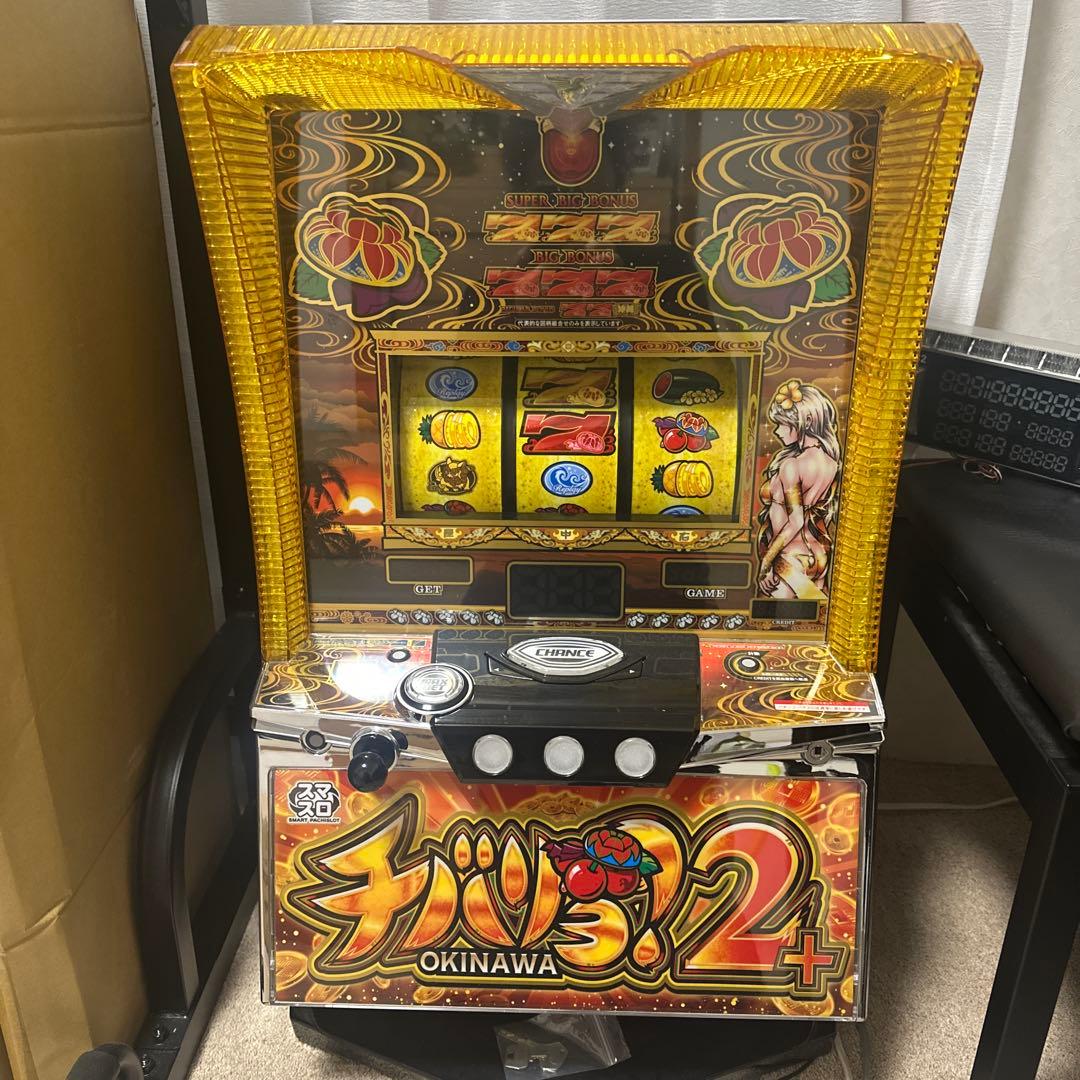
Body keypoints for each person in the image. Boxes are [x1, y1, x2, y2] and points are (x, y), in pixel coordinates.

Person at [757, 380, 841, 599]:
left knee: (774, 618)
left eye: (783, 424)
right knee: (810, 617)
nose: (777, 431)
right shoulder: (831, 463)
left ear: (807, 421)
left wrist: (766, 562)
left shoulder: (792, 465)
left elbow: (795, 520)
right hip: (817, 553)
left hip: (790, 556)